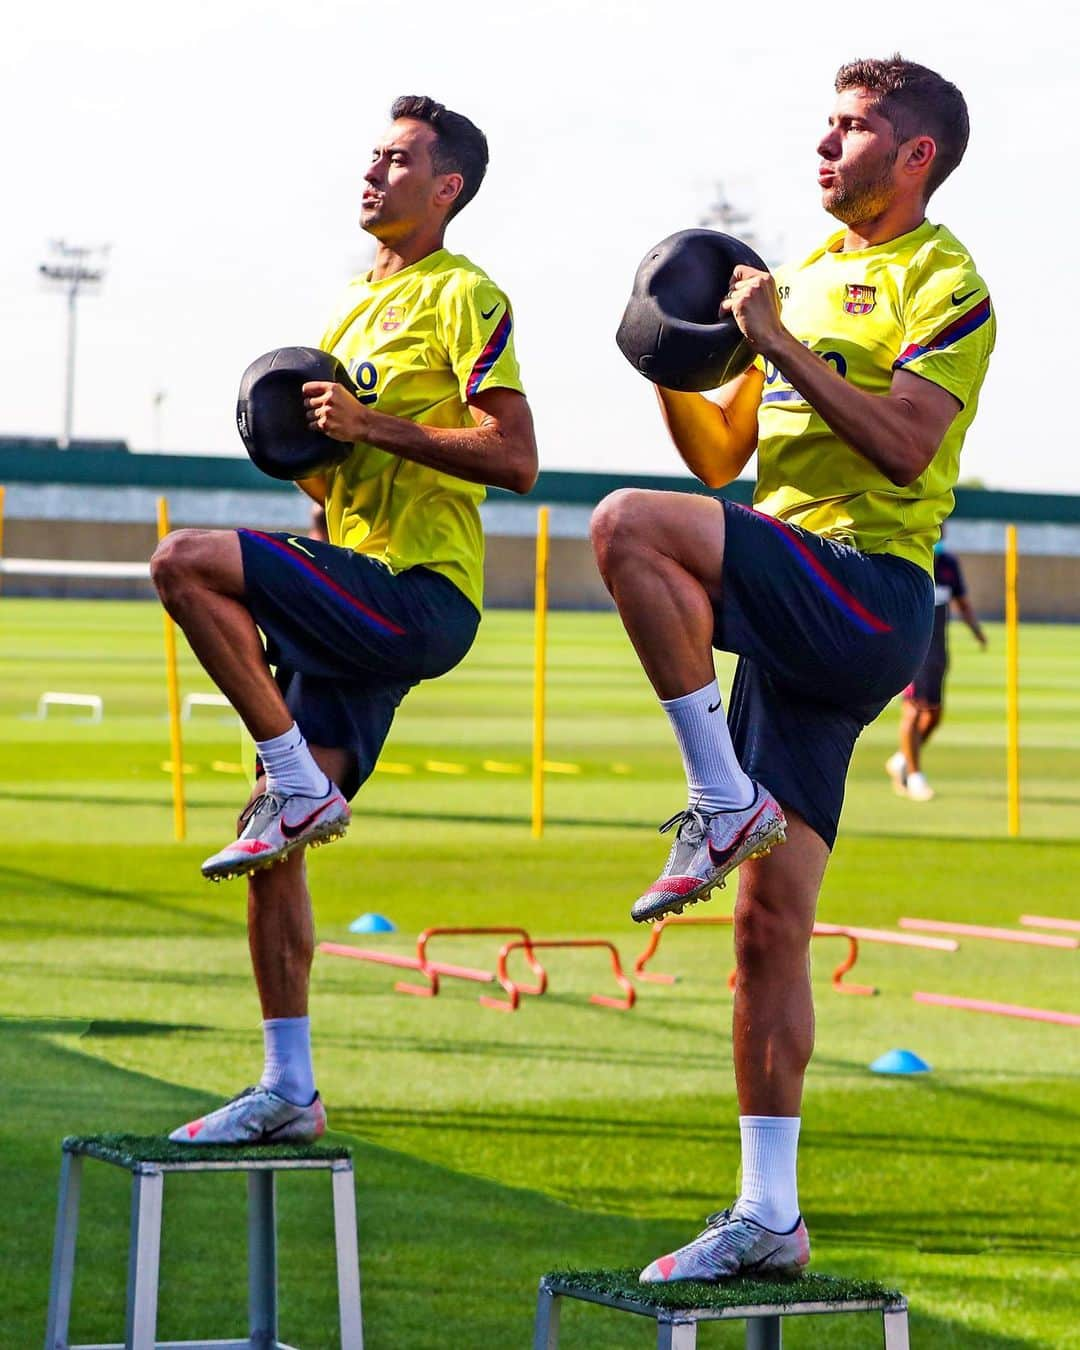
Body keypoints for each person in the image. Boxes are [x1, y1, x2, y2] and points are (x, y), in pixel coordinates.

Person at [590, 56, 994, 1280]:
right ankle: (770, 1213)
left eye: (856, 126)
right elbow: (725, 454)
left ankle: (719, 797)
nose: (827, 144)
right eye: (826, 123)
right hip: (790, 594)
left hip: (867, 589)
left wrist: (776, 339)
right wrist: (686, 358)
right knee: (769, 925)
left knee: (621, 527)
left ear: (915, 155)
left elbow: (911, 449)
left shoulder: (947, 279)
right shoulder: (805, 277)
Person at [151, 95, 538, 1145]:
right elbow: (329, 487)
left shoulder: (466, 295)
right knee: (268, 841)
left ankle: (291, 775)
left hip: (420, 592)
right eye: (371, 157)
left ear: (445, 187)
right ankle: (289, 1089)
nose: (372, 174)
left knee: (183, 562)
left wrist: (372, 424)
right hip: (351, 585)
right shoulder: (344, 316)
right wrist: (309, 457)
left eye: (397, 159)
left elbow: (514, 459)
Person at [886, 527, 987, 800]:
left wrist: (977, 632)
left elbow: (962, 602)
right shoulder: (908, 558)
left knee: (934, 715)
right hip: (911, 649)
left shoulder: (949, 564)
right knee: (913, 710)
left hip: (938, 651)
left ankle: (901, 761)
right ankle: (915, 777)